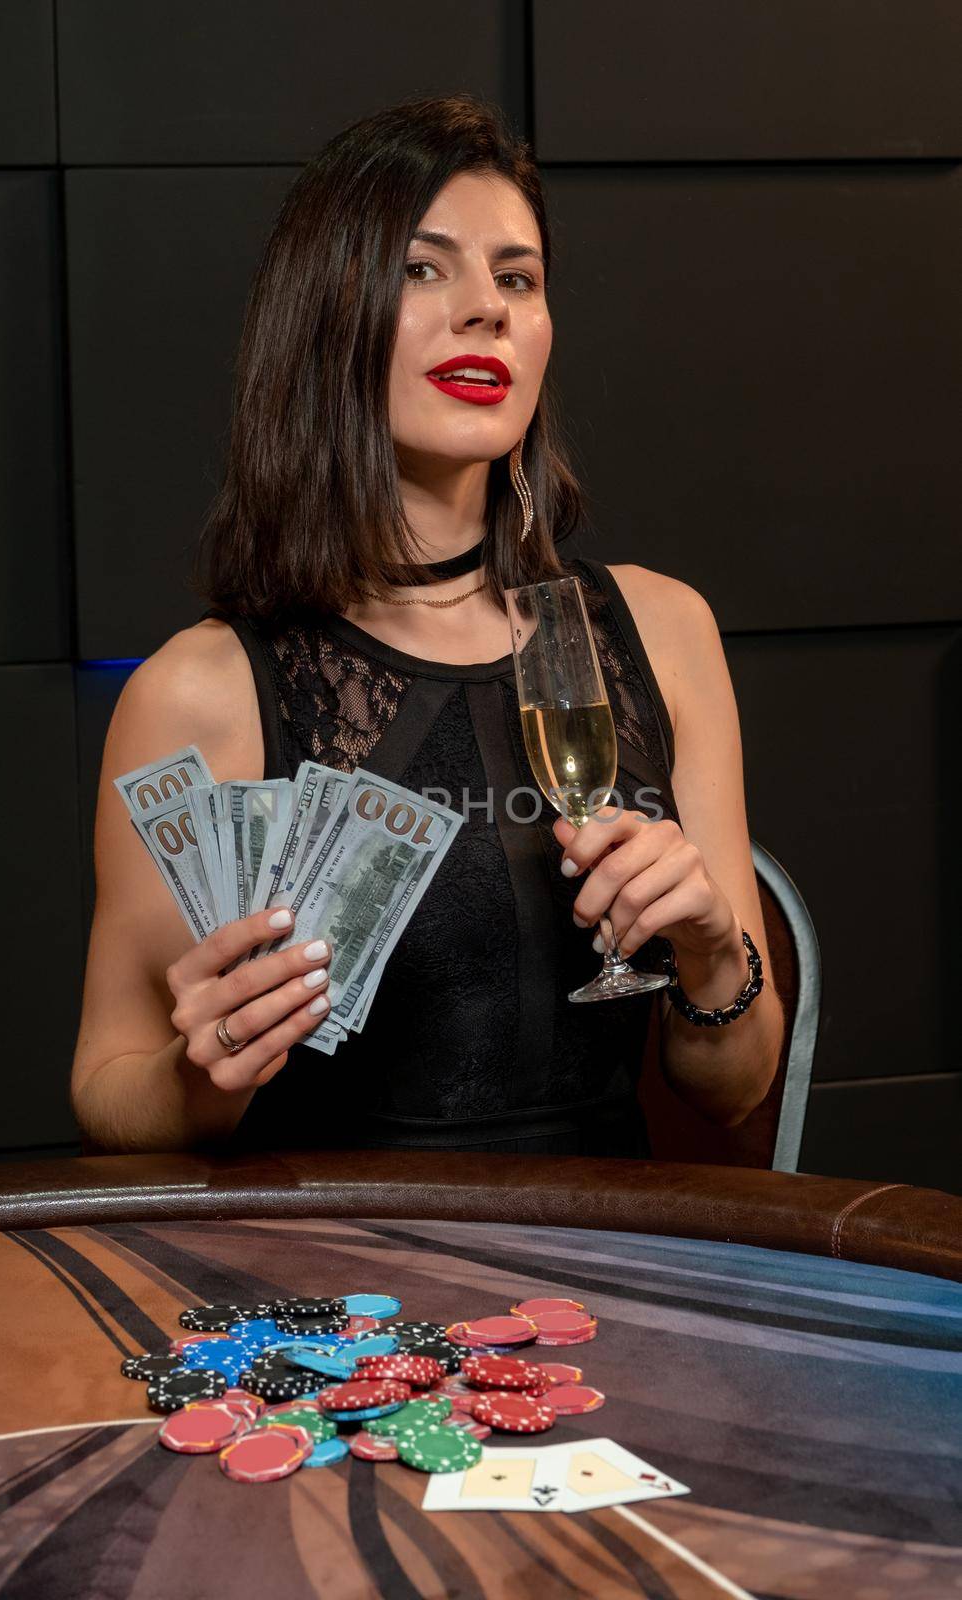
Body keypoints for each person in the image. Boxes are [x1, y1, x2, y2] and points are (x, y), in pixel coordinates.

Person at [71, 93, 784, 1155]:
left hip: (605, 1273)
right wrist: (199, 1075)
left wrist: (712, 953)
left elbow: (731, 1090)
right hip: (344, 1294)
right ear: (327, 310)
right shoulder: (199, 689)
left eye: (516, 277)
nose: (484, 310)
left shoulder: (662, 627)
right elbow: (105, 1088)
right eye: (421, 268)